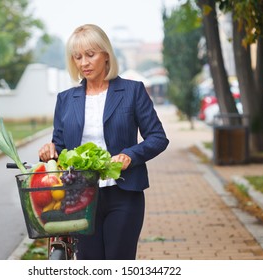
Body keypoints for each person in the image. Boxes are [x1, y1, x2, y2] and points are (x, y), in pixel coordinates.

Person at [39, 24, 169, 260]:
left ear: (106, 55)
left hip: (124, 193)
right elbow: (59, 145)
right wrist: (50, 149)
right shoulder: (66, 99)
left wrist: (130, 155)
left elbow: (158, 138)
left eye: (90, 55)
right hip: (80, 196)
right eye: (78, 57)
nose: (84, 63)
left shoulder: (132, 91)